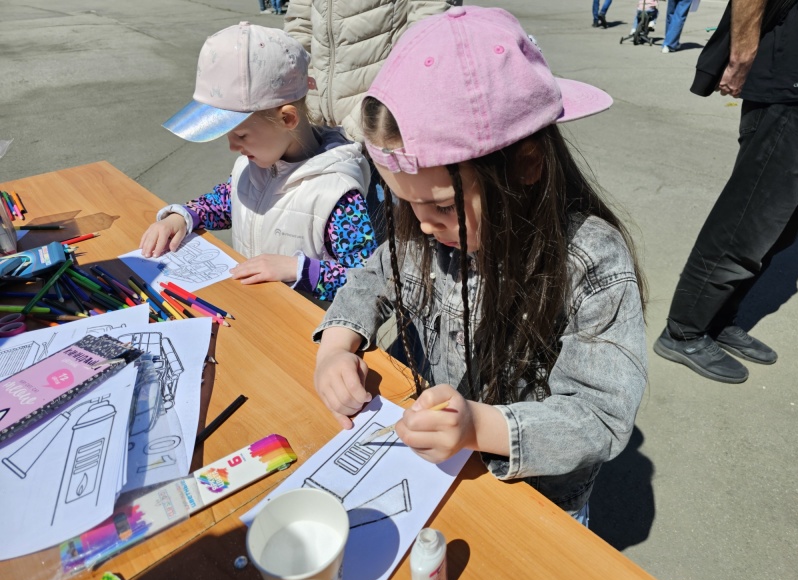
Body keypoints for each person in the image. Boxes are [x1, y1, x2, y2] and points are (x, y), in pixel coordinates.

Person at [312, 6, 648, 525]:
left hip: (536, 502)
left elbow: (600, 416)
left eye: (443, 207)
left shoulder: (590, 261)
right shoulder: (427, 229)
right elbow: (372, 275)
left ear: (527, 163)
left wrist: (478, 427)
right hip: (436, 474)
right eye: (408, 206)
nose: (422, 227)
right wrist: (335, 349)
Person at [140, 23, 377, 302]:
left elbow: (368, 282)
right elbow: (226, 201)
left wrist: (298, 270)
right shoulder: (252, 167)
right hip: (255, 313)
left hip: (308, 333)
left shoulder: (336, 194)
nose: (232, 147)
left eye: (240, 134)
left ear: (287, 119)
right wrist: (183, 217)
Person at [654, 0, 798, 382]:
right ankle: (683, 331)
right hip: (788, 84)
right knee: (748, 220)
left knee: (782, 228)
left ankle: (718, 320)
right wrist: (741, 54)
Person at [284, 0, 461, 242]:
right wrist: (298, 98)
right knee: (342, 245)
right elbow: (299, 25)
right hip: (323, 127)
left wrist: (364, 120)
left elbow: (429, 33)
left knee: (406, 241)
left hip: (385, 128)